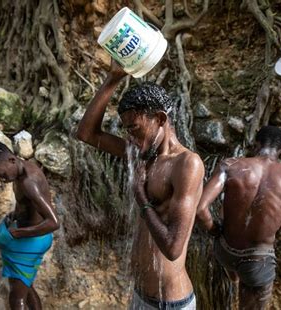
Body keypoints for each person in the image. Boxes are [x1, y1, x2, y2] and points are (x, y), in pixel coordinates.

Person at [76, 60, 204, 309]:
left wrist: (141, 196)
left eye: (135, 129)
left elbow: (173, 248)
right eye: (127, 132)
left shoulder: (187, 164)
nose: (132, 140)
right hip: (141, 296)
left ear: (159, 118)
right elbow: (87, 134)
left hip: (170, 304)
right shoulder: (143, 154)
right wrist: (113, 79)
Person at [196, 126, 281, 309]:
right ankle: (243, 282)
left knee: (233, 266)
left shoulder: (230, 166)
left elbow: (200, 209)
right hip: (257, 260)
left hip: (225, 250)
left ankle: (235, 278)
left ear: (256, 144)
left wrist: (215, 231)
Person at [0, 140, 60, 310]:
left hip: (31, 242)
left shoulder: (28, 183)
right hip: (30, 239)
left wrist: (18, 234)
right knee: (26, 287)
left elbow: (53, 223)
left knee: (16, 298)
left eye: (2, 174)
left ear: (12, 160)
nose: (2, 179)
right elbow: (26, 203)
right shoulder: (22, 170)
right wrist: (16, 215)